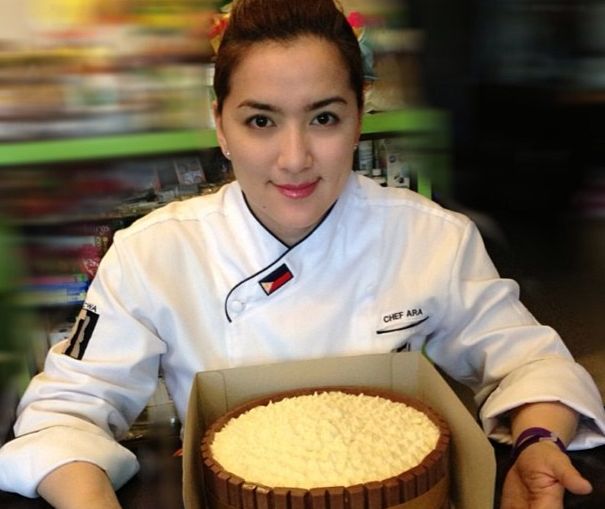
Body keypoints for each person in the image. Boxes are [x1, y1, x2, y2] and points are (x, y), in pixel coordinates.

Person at [1, 0, 604, 508]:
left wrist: (537, 443)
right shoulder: (153, 253)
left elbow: (528, 362)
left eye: (324, 118)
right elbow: (65, 411)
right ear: (220, 125)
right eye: (261, 121)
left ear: (359, 116)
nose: (294, 159)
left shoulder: (430, 237)